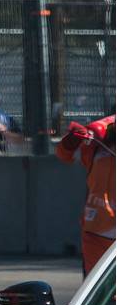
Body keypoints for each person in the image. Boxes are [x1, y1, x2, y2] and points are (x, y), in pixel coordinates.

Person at [55, 115, 115, 275]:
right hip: (97, 232)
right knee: (97, 295)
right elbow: (64, 154)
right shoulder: (99, 137)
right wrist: (72, 140)